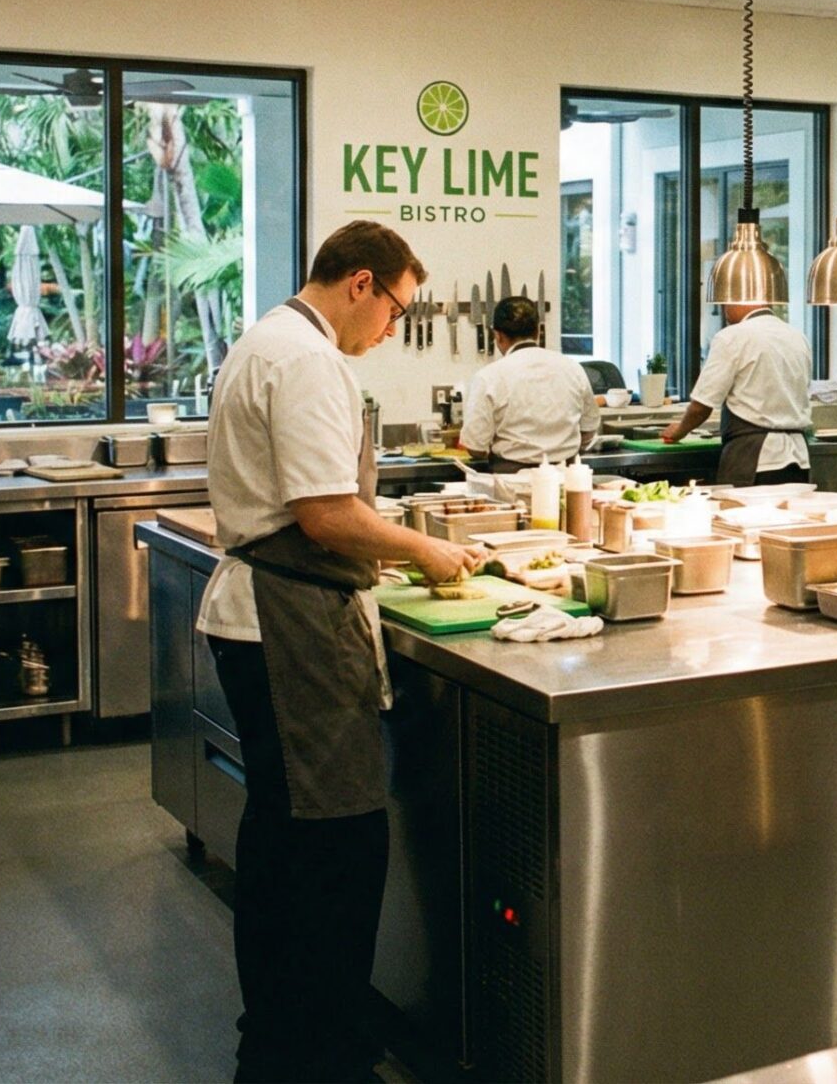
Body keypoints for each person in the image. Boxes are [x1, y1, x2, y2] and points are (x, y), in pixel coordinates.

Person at [198, 220, 486, 1084]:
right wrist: (427, 549)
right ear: (361, 282)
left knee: (284, 844)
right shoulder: (309, 359)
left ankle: (278, 1042)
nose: (393, 328)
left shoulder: (268, 339)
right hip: (293, 625)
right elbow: (325, 514)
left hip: (273, 613)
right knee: (332, 851)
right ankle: (315, 1055)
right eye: (396, 307)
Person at [659, 300, 811, 486]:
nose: (724, 311)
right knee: (791, 506)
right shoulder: (797, 337)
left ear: (740, 299)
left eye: (725, 303)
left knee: (741, 507)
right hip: (799, 459)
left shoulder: (732, 336)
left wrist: (679, 431)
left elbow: (701, 407)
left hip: (754, 457)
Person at [460, 296, 599, 471]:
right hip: (566, 476)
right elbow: (589, 428)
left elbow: (475, 447)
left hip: (512, 478)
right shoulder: (573, 368)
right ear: (538, 331)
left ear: (497, 336)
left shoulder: (488, 377)